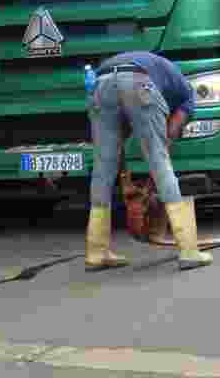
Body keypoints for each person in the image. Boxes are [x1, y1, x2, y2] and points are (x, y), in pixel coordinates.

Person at [84, 51, 212, 272]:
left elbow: (118, 145)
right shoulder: (187, 96)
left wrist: (127, 181)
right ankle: (189, 250)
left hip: (100, 83)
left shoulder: (162, 70)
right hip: (137, 82)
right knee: (159, 161)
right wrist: (163, 148)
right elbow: (171, 132)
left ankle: (96, 252)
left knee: (103, 167)